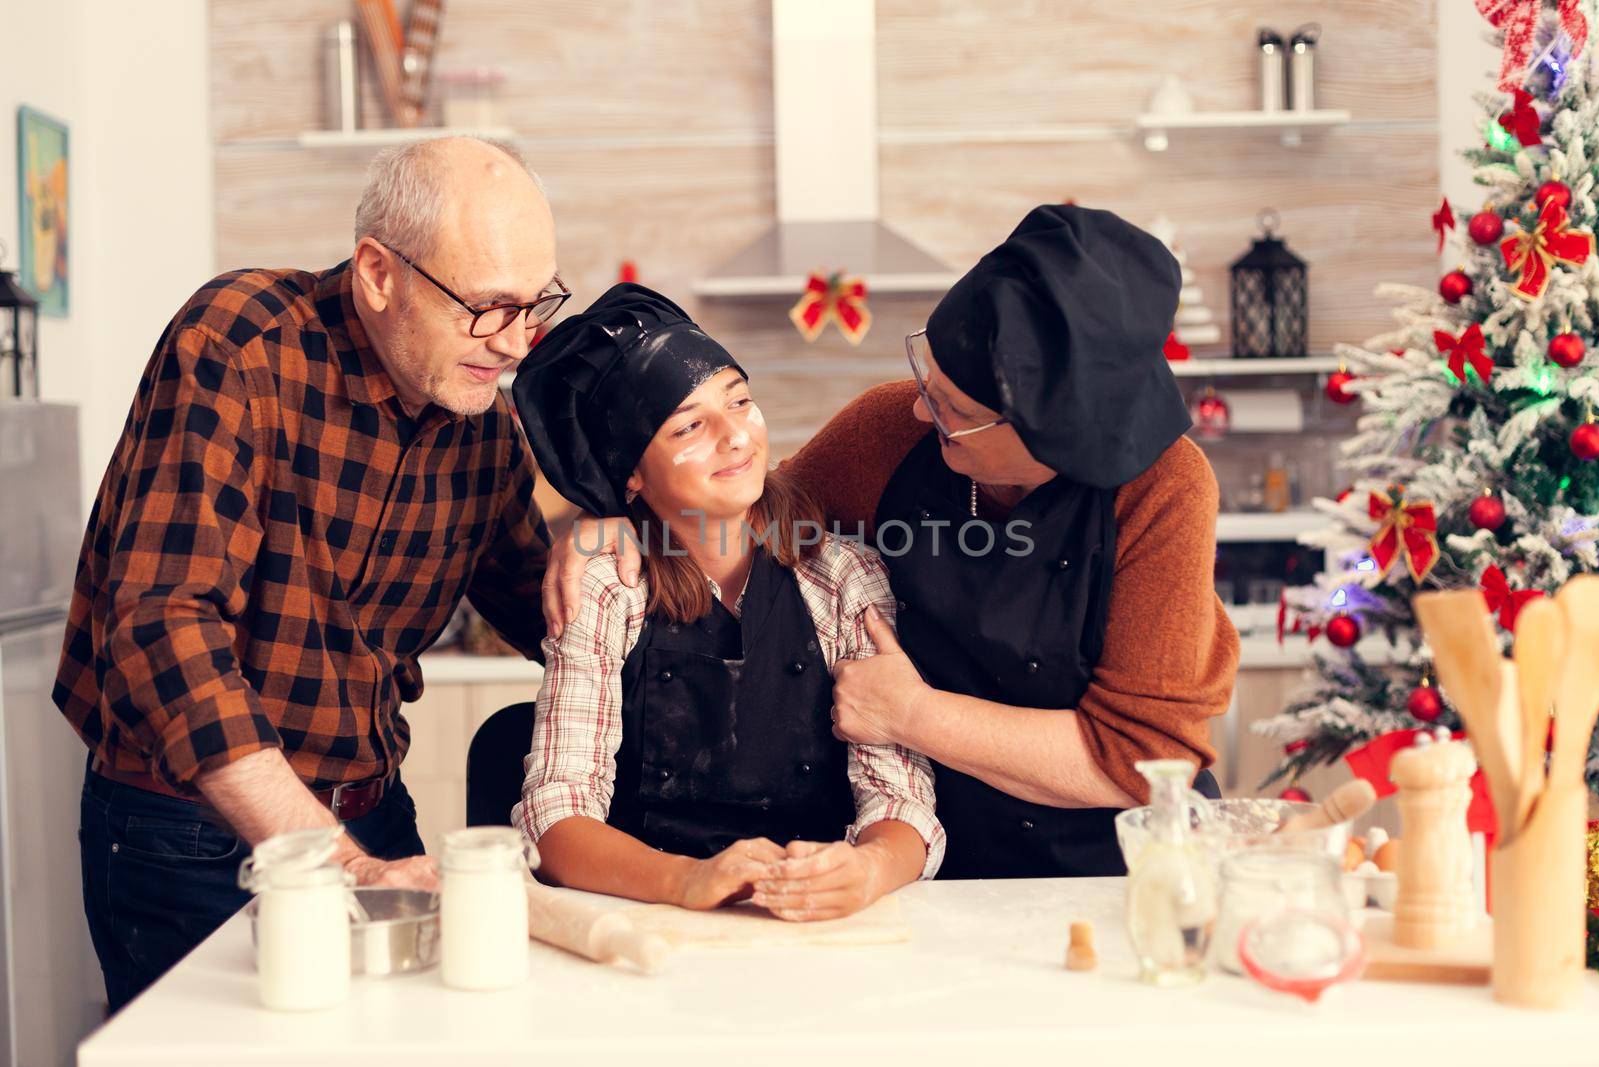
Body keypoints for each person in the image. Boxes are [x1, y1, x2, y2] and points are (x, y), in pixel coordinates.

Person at [541, 205, 1238, 882]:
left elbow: (1144, 759)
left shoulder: (1164, 490)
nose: (917, 409)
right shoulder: (887, 433)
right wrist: (611, 520)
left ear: (1052, 439)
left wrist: (915, 714)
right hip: (953, 863)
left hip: (1121, 869)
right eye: (926, 378)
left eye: (952, 410)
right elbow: (743, 511)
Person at [56, 136, 561, 1009]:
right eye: (488, 307)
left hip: (371, 812)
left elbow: (551, 613)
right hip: (190, 834)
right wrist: (335, 863)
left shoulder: (481, 425)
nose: (516, 344)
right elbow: (162, 627)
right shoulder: (239, 343)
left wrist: (610, 551)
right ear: (377, 273)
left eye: (535, 306)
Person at [511, 284, 942, 920]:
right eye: (689, 425)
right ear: (629, 472)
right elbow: (555, 819)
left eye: (740, 401)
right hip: (650, 919)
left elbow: (900, 799)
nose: (736, 436)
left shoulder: (842, 577)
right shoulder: (607, 590)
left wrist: (869, 869)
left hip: (814, 921)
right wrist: (688, 880)